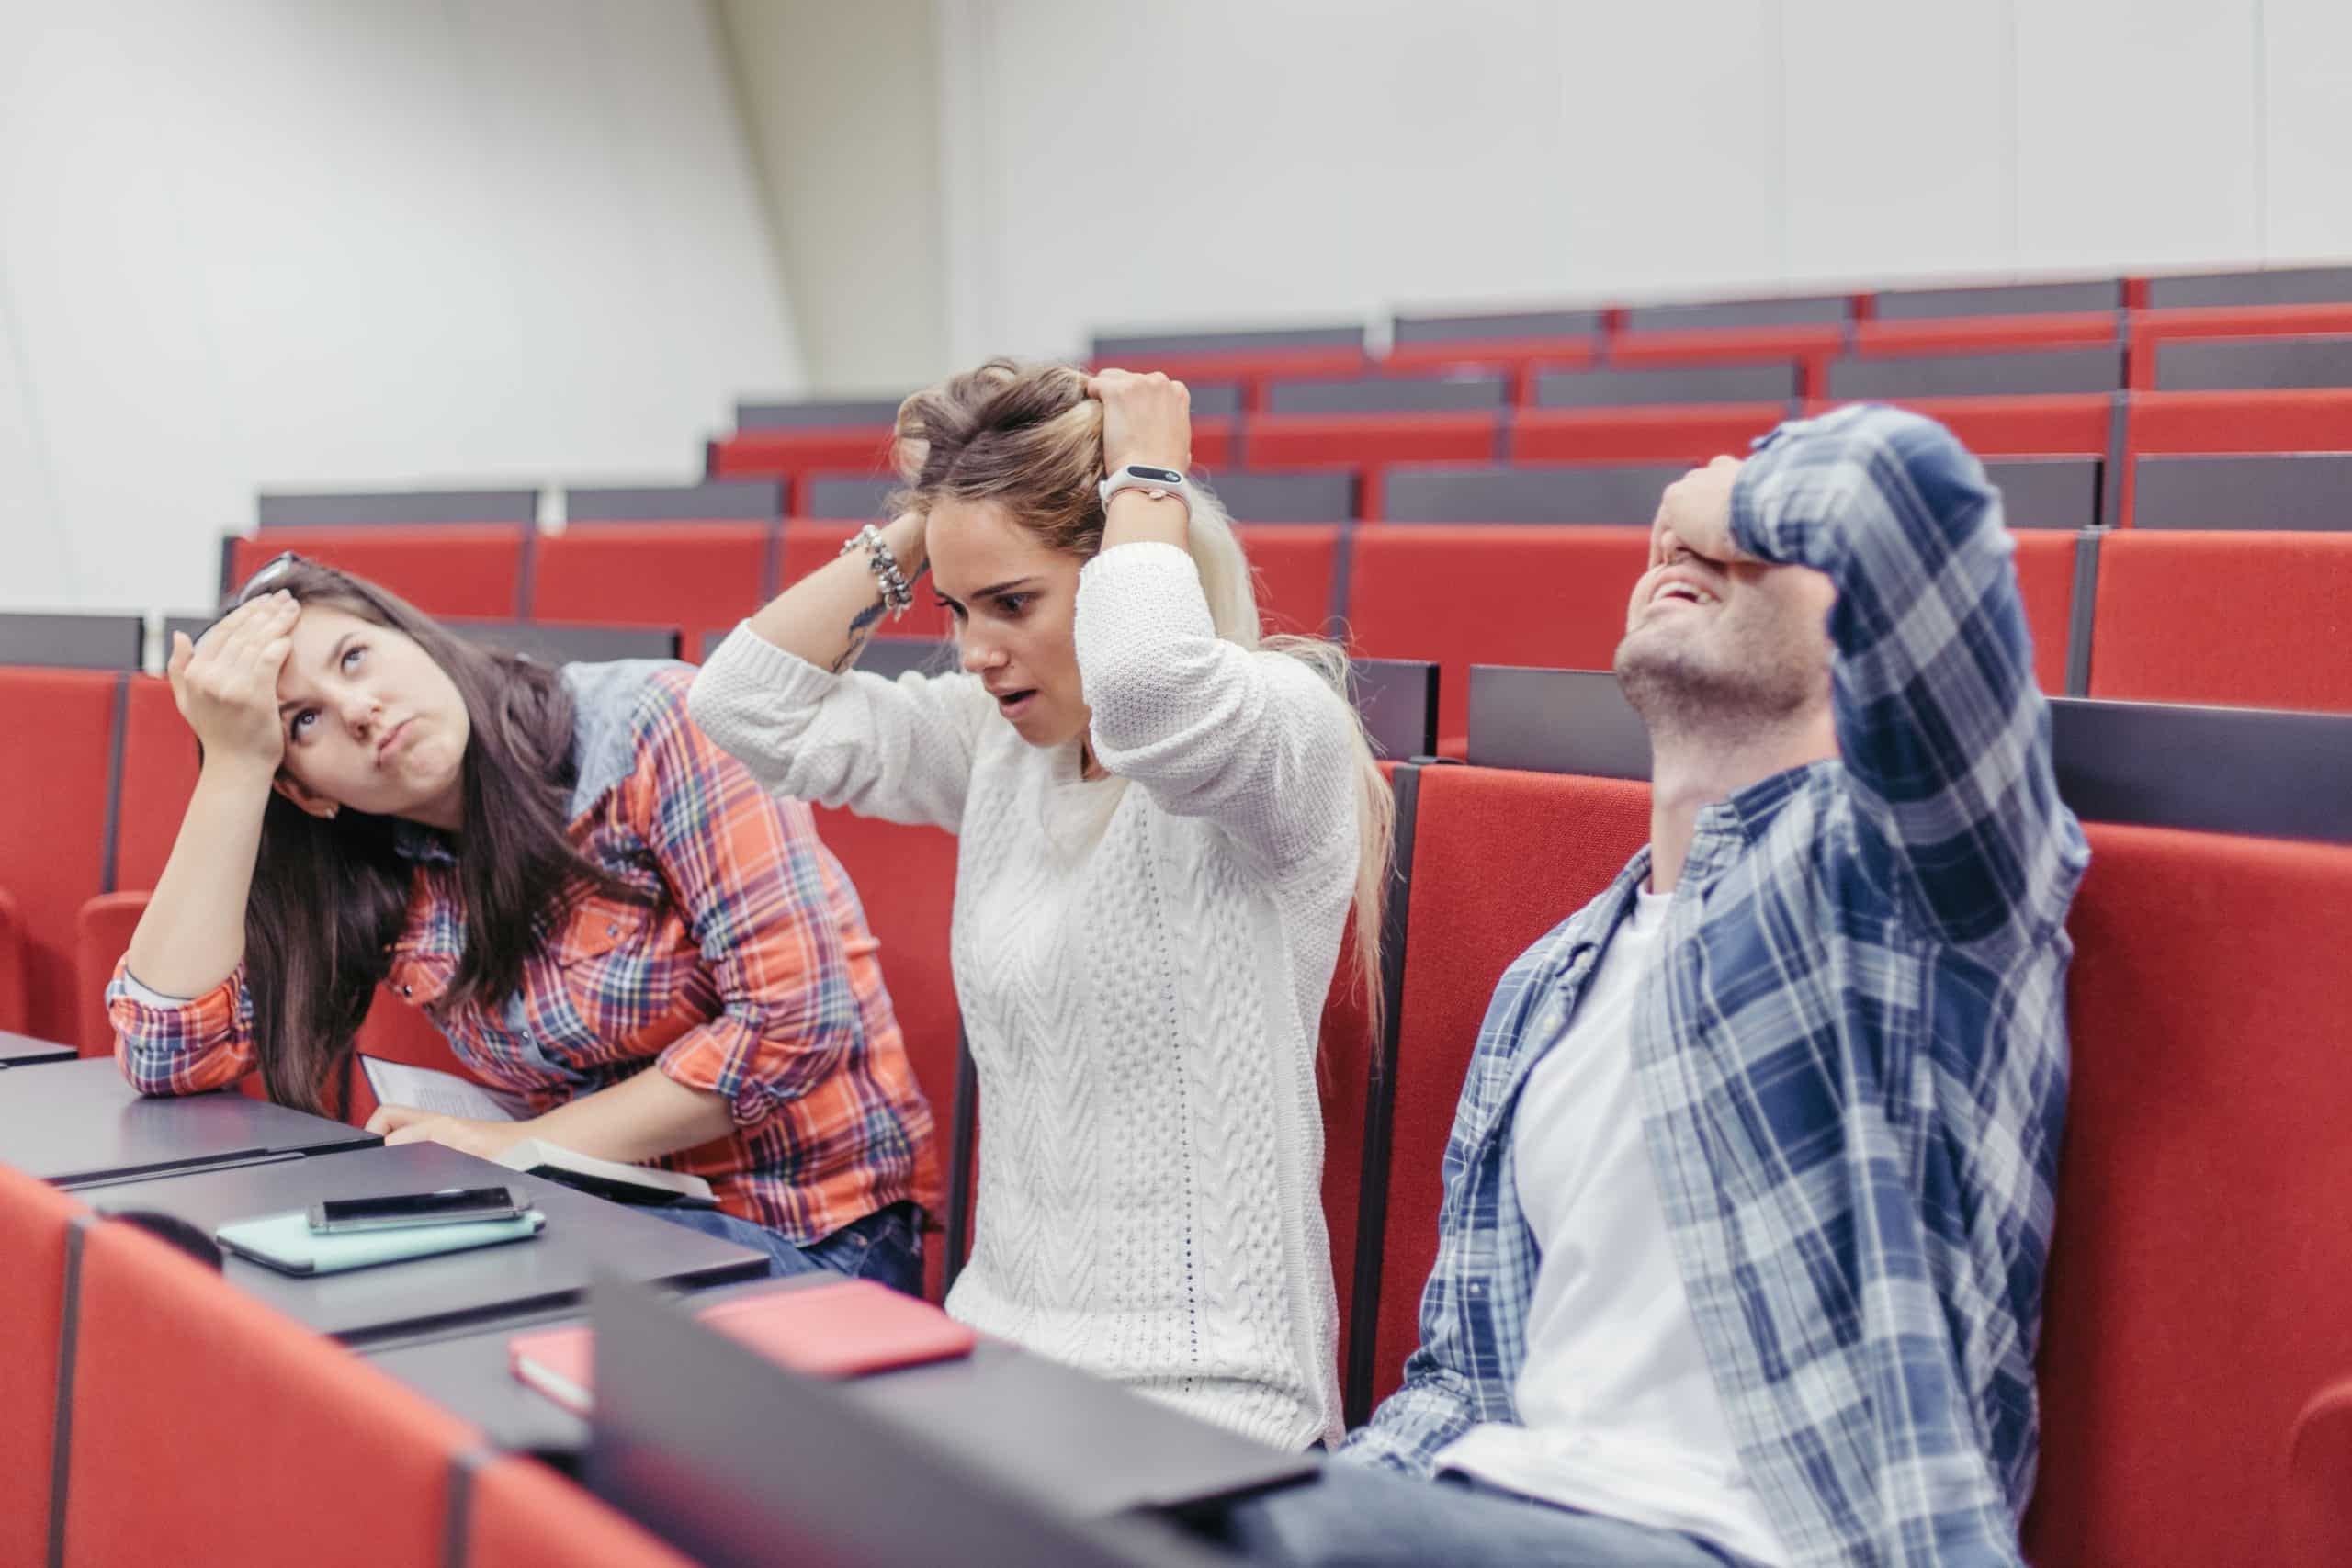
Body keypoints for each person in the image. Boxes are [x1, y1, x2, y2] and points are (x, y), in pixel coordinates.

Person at [1212, 405, 2089, 1566]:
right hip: (1495, 1510)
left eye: (1759, 545)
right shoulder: (1551, 980)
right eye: (1674, 547)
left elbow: (1911, 497)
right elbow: (1460, 1384)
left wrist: (1718, 497)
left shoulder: (1910, 880)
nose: (1684, 551)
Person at [688, 360, 1394, 1450]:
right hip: (996, 1368)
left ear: (1121, 570)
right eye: (959, 610)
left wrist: (1146, 477)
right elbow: (744, 708)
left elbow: (1153, 693)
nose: (975, 652)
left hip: (1212, 1400)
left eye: (1013, 603)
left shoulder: (1272, 733)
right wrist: (927, 525)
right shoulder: (998, 751)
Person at [108, 555, 933, 1291]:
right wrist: (233, 765)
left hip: (810, 1236)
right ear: (308, 791)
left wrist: (523, 1144)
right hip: (589, 1218)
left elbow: (794, 1024)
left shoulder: (658, 723)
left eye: (355, 657)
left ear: (417, 639)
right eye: (303, 722)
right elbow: (166, 1049)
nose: (358, 709)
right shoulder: (369, 860)